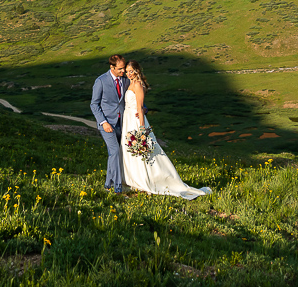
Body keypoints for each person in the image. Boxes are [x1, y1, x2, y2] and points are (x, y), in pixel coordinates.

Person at [120, 61, 210, 199]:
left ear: (137, 71)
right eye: (127, 71)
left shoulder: (138, 85)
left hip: (135, 120)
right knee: (129, 149)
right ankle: (132, 179)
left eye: (131, 71)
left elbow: (140, 107)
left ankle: (150, 179)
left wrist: (142, 128)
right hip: (127, 119)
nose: (128, 74)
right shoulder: (129, 83)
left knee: (144, 150)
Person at [89, 54, 130, 193]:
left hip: (123, 122)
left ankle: (108, 185)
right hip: (107, 124)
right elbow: (94, 105)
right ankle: (117, 188)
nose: (123, 71)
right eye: (120, 69)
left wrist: (142, 108)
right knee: (114, 152)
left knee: (114, 154)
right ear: (111, 67)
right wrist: (103, 122)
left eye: (124, 68)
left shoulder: (125, 80)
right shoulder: (100, 81)